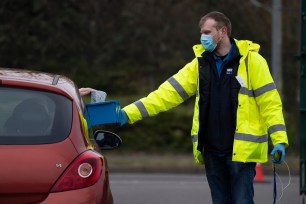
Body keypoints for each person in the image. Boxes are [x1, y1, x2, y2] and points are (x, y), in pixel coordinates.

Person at [91, 11, 289, 204]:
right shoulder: (199, 64)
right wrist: (127, 114)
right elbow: (164, 95)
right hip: (212, 151)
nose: (202, 37)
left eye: (207, 32)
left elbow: (270, 103)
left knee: (242, 201)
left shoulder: (252, 62)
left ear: (223, 31)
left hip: (242, 153)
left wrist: (279, 140)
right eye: (201, 33)